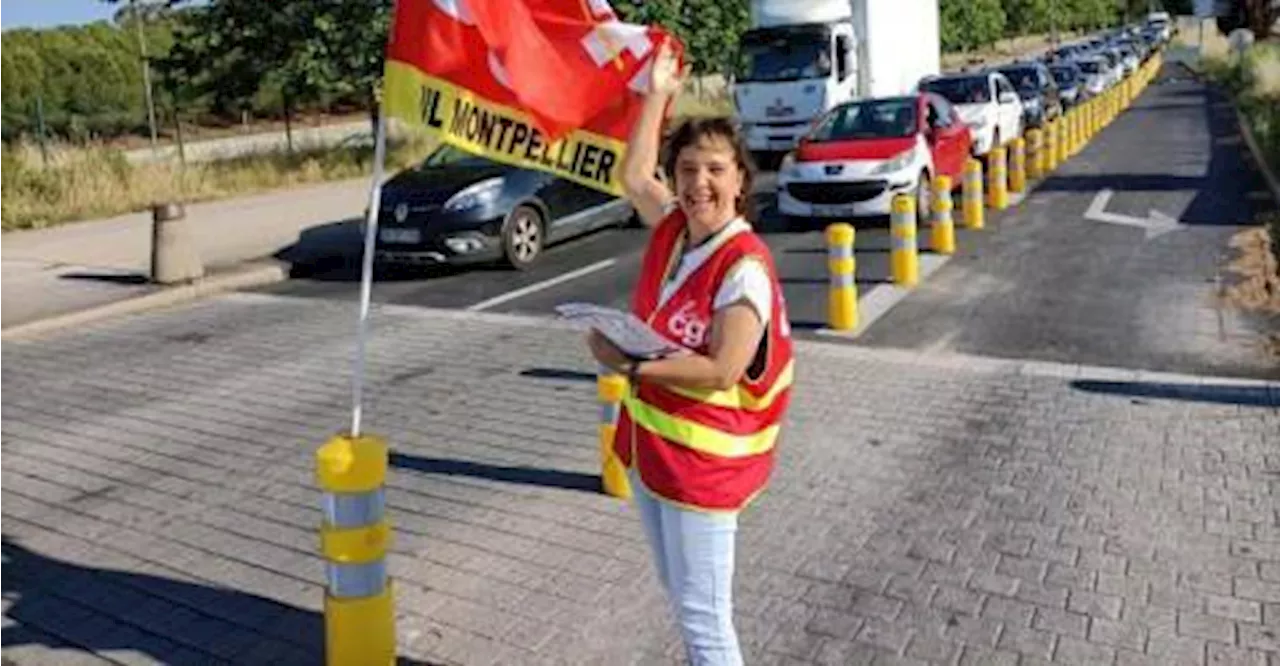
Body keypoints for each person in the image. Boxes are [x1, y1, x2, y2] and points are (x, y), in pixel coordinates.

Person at [585, 38, 795, 666]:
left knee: (705, 620)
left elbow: (723, 368)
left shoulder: (744, 267)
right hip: (657, 455)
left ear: (739, 180)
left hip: (707, 469)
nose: (698, 183)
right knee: (681, 595)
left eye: (714, 170)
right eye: (687, 171)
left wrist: (629, 363)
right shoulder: (677, 231)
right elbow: (632, 175)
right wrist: (654, 95)